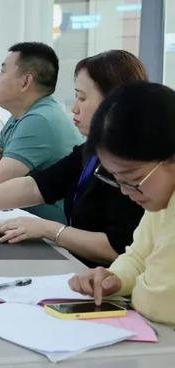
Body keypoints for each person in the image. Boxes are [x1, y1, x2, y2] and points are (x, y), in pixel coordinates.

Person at [0, 51, 147, 267]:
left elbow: (119, 247)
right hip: (78, 265)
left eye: (82, 98)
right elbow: (37, 186)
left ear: (113, 101)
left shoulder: (132, 163)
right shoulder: (92, 149)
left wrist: (48, 229)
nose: (74, 108)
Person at [68, 82, 175, 326]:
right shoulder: (161, 198)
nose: (126, 191)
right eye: (117, 180)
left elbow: (160, 303)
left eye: (134, 180)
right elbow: (138, 256)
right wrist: (114, 279)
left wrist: (137, 291)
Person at [0, 42, 82, 222]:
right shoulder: (20, 115)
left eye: (3, 71)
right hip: (19, 223)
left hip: (46, 234)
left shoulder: (39, 120)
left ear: (26, 82)